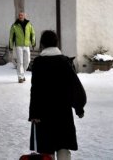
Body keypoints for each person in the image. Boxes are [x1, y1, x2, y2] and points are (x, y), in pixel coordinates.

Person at [29, 30, 86, 159]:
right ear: (56, 44)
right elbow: (74, 86)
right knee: (63, 147)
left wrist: (34, 114)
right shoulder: (64, 61)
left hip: (43, 113)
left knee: (46, 149)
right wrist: (79, 108)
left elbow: (35, 90)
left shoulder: (38, 63)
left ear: (42, 44)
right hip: (63, 112)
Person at [9, 11, 36, 83]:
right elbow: (11, 36)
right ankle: (20, 77)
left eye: (22, 15)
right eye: (19, 15)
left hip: (26, 45)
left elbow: (32, 33)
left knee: (27, 61)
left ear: (24, 16)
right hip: (18, 45)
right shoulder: (15, 25)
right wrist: (11, 46)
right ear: (18, 16)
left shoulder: (29, 24)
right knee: (20, 62)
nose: (20, 16)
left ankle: (22, 74)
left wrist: (33, 42)